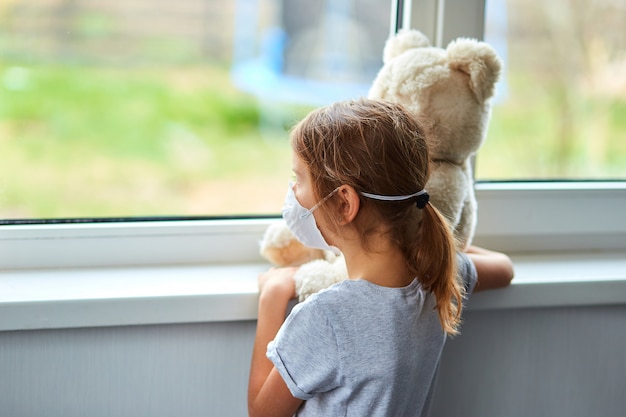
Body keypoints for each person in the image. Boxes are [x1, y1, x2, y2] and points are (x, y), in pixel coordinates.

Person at [247, 99, 514, 417]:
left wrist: (273, 294)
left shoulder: (326, 318)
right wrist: (432, 242)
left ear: (345, 203)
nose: (293, 191)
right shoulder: (438, 274)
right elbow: (504, 268)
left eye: (300, 178)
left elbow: (261, 413)